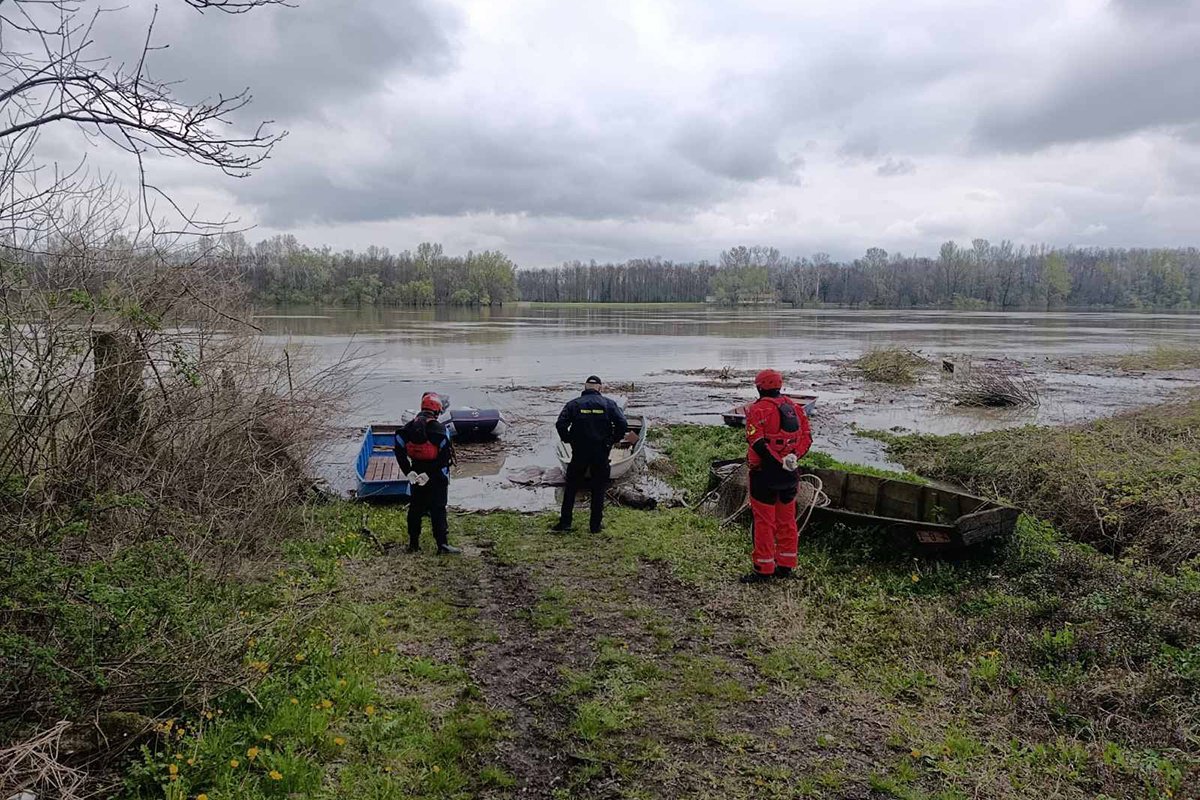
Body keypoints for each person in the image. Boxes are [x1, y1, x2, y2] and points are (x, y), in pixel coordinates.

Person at [742, 369, 813, 583]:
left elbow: (756, 442)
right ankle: (786, 565)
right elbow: (807, 438)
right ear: (779, 386)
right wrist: (792, 457)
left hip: (765, 474)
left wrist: (776, 461)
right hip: (790, 474)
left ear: (759, 387)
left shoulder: (757, 410)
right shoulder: (796, 409)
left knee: (764, 523)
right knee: (787, 521)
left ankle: (763, 569)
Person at [551, 375, 629, 534]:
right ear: (600, 388)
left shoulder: (573, 404)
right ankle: (595, 526)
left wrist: (568, 439)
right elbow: (623, 424)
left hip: (579, 451)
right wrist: (612, 440)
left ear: (585, 387)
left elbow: (560, 424)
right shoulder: (609, 404)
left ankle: (565, 523)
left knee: (571, 487)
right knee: (599, 489)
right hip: (601, 451)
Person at [394, 392, 461, 555]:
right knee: (438, 508)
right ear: (438, 410)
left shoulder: (406, 429)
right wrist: (430, 474)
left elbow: (399, 451)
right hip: (436, 475)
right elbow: (445, 458)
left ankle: (413, 544)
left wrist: (408, 472)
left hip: (415, 473)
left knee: (415, 508)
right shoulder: (440, 430)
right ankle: (442, 545)